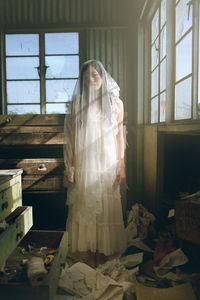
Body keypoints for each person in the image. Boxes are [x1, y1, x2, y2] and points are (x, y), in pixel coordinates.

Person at [64, 60, 127, 268]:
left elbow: (120, 138)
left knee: (105, 209)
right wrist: (70, 166)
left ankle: (102, 253)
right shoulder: (77, 103)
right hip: (85, 165)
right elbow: (71, 138)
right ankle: (91, 254)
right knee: (87, 209)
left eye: (95, 74)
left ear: (103, 76)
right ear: (82, 80)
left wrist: (121, 165)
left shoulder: (116, 103)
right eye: (87, 76)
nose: (91, 79)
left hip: (108, 163)